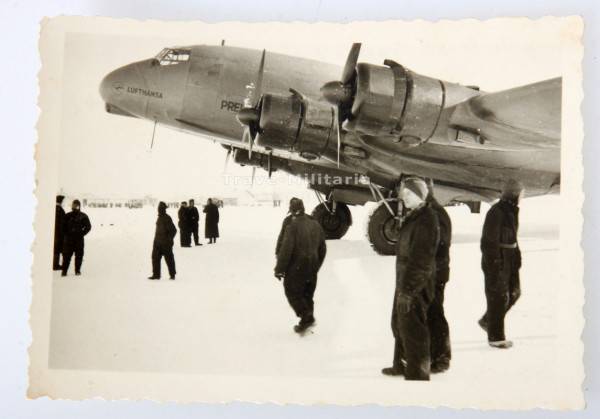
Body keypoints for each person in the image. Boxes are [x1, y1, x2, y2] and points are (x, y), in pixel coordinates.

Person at [382, 177, 439, 380]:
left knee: (413, 329)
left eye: (407, 193)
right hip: (405, 281)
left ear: (419, 195)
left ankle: (418, 374)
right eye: (403, 193)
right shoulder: (413, 216)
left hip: (416, 284)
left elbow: (420, 260)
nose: (402, 197)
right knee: (399, 323)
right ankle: (400, 365)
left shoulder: (427, 219)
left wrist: (408, 291)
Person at [478, 179, 524, 349]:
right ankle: (495, 337)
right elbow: (488, 243)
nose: (522, 196)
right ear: (514, 193)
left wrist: (517, 257)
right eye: (520, 193)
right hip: (497, 261)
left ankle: (488, 320)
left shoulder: (512, 211)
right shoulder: (496, 212)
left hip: (510, 259)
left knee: (514, 293)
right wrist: (495, 266)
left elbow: (513, 237)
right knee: (498, 298)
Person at [274, 198, 327, 333]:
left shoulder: (291, 225)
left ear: (293, 211)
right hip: (312, 265)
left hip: (296, 266)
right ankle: (308, 318)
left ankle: (306, 316)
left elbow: (285, 249)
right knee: (307, 293)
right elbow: (322, 248)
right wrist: (316, 264)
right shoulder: (315, 224)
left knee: (292, 291)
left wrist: (279, 269)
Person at [425, 180, 452, 373]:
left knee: (435, 314)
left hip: (435, 273)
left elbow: (438, 248)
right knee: (430, 313)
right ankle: (433, 354)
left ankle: (441, 357)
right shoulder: (430, 212)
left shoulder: (436, 214)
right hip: (431, 272)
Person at [61, 199, 92, 277]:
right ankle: (64, 271)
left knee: (79, 255)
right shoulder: (67, 216)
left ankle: (77, 270)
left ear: (79, 207)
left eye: (77, 206)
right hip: (68, 240)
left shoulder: (83, 216)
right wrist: (66, 234)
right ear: (72, 206)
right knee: (66, 256)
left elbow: (88, 226)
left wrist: (82, 233)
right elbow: (62, 227)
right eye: (74, 206)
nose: (75, 207)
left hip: (79, 240)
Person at [148, 201, 177, 280]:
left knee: (169, 259)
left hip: (165, 243)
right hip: (157, 242)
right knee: (155, 258)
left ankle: (172, 275)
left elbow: (173, 230)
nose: (158, 209)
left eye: (160, 208)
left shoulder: (167, 217)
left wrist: (168, 240)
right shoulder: (160, 217)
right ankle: (156, 275)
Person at [53, 195, 66, 270]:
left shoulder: (53, 209)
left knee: (56, 248)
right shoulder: (59, 210)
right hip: (59, 233)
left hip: (54, 232)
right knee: (58, 248)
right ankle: (55, 264)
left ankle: (55, 264)